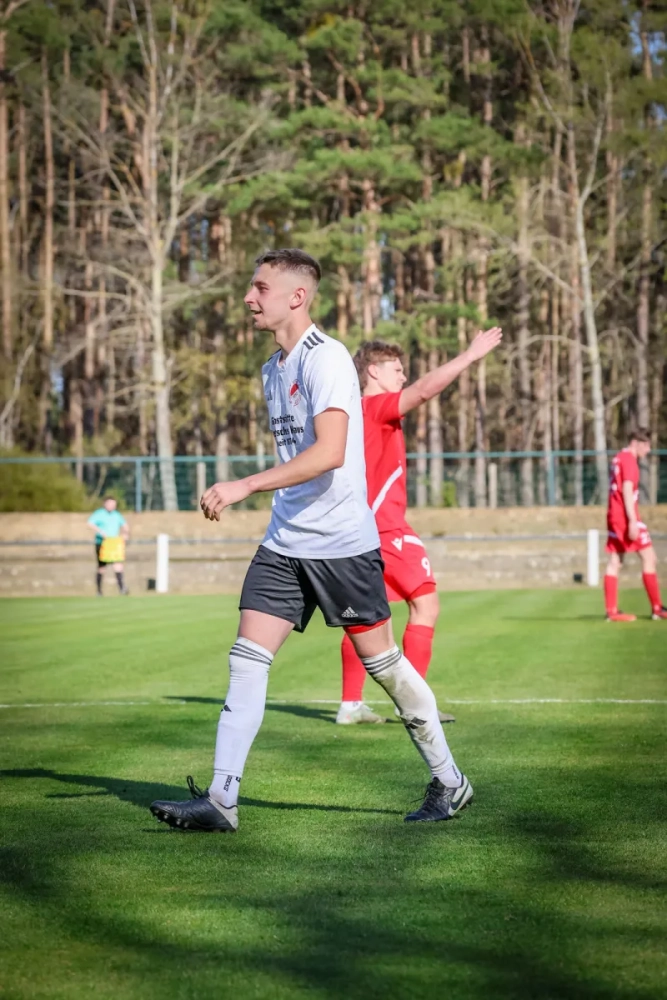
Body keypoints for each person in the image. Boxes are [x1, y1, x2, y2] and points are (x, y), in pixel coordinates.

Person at [150, 248, 473, 832]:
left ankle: (450, 781)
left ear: (296, 297)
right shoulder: (272, 368)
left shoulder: (326, 359)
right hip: (285, 543)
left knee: (385, 665)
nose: (249, 298)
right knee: (247, 660)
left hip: (342, 544)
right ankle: (222, 800)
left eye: (260, 288)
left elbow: (329, 454)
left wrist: (246, 484)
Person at [335, 330, 503, 726]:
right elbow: (425, 391)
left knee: (365, 618)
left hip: (361, 530)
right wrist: (468, 356)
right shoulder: (376, 406)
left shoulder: (353, 412)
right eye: (396, 369)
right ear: (373, 372)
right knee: (425, 604)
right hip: (387, 528)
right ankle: (413, 705)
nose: (403, 376)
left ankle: (350, 705)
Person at [604, 429, 667, 622]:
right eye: (646, 445)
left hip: (614, 515)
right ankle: (657, 608)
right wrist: (632, 521)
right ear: (635, 443)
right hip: (625, 517)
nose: (648, 450)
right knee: (649, 557)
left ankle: (612, 611)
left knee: (616, 561)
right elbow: (627, 489)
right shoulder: (630, 461)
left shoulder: (618, 458)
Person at [87, 496, 130, 596]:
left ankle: (122, 588)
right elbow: (90, 523)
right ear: (105, 504)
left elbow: (125, 526)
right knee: (102, 567)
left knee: (118, 565)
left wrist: (126, 534)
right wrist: (100, 531)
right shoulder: (99, 514)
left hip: (114, 543)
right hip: (102, 543)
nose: (112, 506)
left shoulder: (117, 515)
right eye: (110, 504)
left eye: (113, 504)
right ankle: (99, 591)